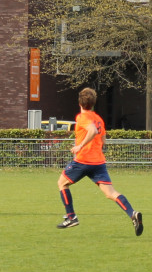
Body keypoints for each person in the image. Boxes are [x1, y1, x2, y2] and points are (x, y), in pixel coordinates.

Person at [56, 87, 143, 235]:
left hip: (83, 160)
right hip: (98, 162)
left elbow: (92, 131)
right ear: (93, 103)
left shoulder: (82, 118)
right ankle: (132, 214)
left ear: (80, 103)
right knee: (110, 193)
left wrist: (79, 146)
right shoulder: (99, 119)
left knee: (62, 183)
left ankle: (71, 217)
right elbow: (103, 141)